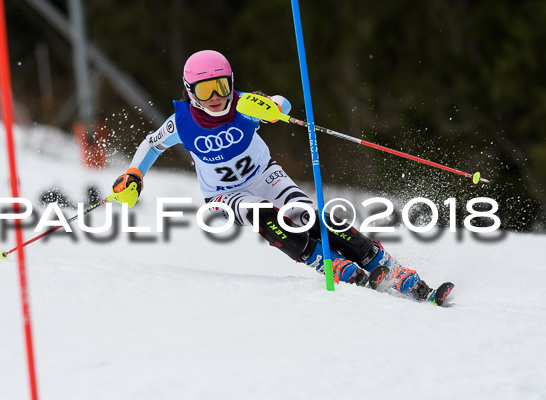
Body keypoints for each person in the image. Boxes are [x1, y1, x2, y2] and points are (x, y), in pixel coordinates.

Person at [111, 49, 440, 302]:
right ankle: (324, 261)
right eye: (206, 90)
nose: (216, 97)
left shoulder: (243, 106)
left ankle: (384, 265)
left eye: (222, 86)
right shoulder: (181, 123)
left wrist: (273, 108)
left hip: (266, 175)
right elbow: (151, 145)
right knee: (263, 214)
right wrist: (134, 175)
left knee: (306, 214)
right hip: (224, 195)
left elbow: (278, 103)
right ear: (190, 91)